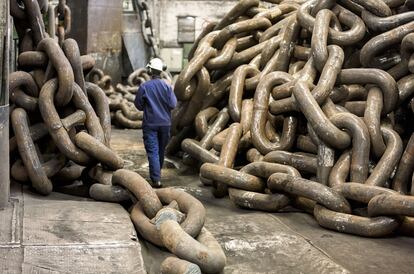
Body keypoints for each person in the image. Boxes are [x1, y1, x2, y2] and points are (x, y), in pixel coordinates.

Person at [134, 58, 177, 188]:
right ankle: (157, 175)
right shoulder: (167, 86)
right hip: (165, 124)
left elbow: (139, 105)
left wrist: (149, 106)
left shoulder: (144, 86)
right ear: (161, 71)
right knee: (160, 150)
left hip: (150, 124)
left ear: (150, 70)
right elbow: (173, 104)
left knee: (153, 151)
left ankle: (156, 179)